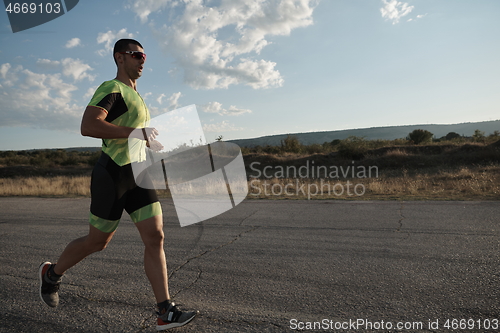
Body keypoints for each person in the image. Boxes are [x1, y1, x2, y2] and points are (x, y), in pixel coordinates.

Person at [39, 39, 196, 331]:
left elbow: (132, 136)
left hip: (139, 174)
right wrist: (136, 132)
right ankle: (52, 273)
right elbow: (89, 125)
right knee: (97, 242)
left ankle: (165, 311)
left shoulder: (137, 96)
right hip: (112, 175)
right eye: (137, 55)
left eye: (145, 56)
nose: (143, 60)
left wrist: (148, 140)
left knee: (156, 237)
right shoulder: (111, 89)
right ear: (119, 57)